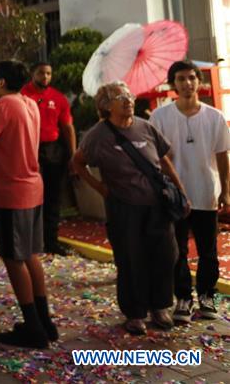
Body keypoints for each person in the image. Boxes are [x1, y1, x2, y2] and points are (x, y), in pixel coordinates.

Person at [72, 81, 187, 335]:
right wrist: (101, 188)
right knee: (131, 259)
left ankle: (160, 307)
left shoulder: (145, 126)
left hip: (157, 204)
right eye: (119, 97)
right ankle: (135, 313)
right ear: (105, 106)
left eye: (128, 95)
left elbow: (164, 161)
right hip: (124, 208)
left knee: (166, 255)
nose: (127, 100)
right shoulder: (98, 135)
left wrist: (181, 192)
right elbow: (77, 162)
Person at [0, 60, 57, 348]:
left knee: (13, 258)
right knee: (31, 254)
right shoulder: (29, 102)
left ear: (0, 81)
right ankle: (44, 320)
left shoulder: (3, 105)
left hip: (11, 191)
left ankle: (33, 327)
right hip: (33, 187)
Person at [149, 62, 229, 323]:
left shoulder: (214, 117)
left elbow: (222, 156)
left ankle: (209, 299)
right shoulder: (159, 118)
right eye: (181, 79)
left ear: (199, 82)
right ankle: (183, 299)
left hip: (206, 191)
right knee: (177, 251)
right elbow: (155, 157)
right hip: (173, 197)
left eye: (192, 78)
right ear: (173, 84)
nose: (187, 84)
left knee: (208, 251)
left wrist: (226, 191)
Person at [21, 63, 77, 255]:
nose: (45, 77)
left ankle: (51, 241)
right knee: (31, 197)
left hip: (53, 150)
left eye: (48, 73)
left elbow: (68, 127)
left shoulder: (58, 98)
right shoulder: (22, 95)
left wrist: (73, 154)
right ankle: (31, 240)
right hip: (29, 149)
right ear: (32, 74)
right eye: (41, 73)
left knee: (53, 197)